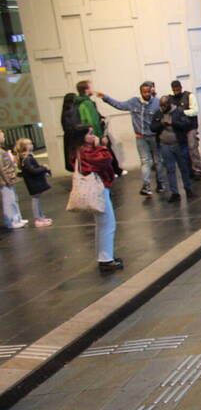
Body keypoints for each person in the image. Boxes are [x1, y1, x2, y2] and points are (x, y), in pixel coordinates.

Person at [99, 81, 164, 194]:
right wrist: (106, 98)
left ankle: (161, 184)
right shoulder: (134, 102)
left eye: (149, 91)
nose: (147, 94)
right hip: (140, 137)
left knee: (158, 161)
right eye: (144, 92)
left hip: (154, 136)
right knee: (145, 161)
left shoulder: (157, 103)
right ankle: (146, 186)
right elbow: (119, 105)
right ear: (140, 92)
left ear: (152, 91)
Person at [76, 132, 122, 272]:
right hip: (98, 188)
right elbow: (105, 160)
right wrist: (101, 146)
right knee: (107, 223)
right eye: (89, 134)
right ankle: (106, 259)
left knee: (103, 223)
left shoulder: (81, 151)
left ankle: (105, 255)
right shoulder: (85, 151)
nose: (93, 136)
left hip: (99, 187)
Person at [152, 95, 195, 203]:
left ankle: (188, 189)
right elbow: (152, 127)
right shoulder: (158, 113)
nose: (162, 107)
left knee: (183, 167)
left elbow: (186, 124)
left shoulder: (178, 111)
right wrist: (161, 124)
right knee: (170, 169)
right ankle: (175, 193)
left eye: (164, 105)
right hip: (165, 145)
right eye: (161, 105)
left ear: (169, 103)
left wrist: (173, 123)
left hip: (179, 144)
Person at [14, 138, 52, 227]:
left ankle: (41, 216)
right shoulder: (27, 159)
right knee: (36, 200)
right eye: (29, 144)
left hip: (33, 182)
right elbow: (33, 171)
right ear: (25, 147)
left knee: (37, 199)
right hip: (34, 183)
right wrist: (44, 168)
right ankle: (38, 219)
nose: (32, 145)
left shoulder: (27, 157)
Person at [169, 80, 201, 179]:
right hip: (179, 128)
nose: (176, 91)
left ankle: (197, 170)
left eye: (177, 89)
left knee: (192, 148)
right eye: (174, 90)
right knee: (183, 151)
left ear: (181, 87)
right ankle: (188, 170)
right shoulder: (170, 98)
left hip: (190, 127)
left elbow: (195, 111)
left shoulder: (189, 96)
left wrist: (181, 113)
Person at [0, 130, 27, 229]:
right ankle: (11, 221)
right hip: (5, 181)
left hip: (9, 178)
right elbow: (1, 168)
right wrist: (6, 180)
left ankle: (17, 218)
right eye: (2, 136)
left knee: (14, 199)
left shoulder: (2, 150)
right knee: (9, 201)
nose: (3, 138)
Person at [61, 92, 87, 172]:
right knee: (79, 159)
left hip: (71, 138)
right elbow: (73, 126)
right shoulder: (71, 110)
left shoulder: (66, 110)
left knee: (76, 160)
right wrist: (87, 126)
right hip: (76, 139)